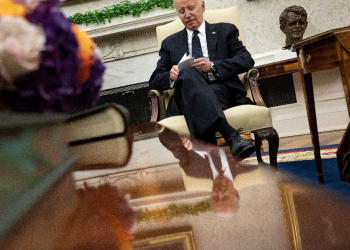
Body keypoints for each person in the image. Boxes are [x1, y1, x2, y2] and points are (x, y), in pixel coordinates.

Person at [149, 0, 256, 161]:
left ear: (203, 6)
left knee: (195, 95)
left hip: (220, 91)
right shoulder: (170, 43)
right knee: (188, 73)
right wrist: (171, 76)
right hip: (183, 95)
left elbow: (246, 60)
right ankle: (231, 135)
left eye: (191, 8)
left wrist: (212, 66)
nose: (187, 14)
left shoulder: (225, 30)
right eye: (181, 11)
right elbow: (154, 80)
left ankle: (208, 161)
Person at [158, 128, 256, 216]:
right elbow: (247, 128)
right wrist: (208, 144)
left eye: (215, 198)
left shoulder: (192, 170)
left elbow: (164, 138)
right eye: (226, 197)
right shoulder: (250, 164)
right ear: (236, 194)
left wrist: (184, 138)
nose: (220, 193)